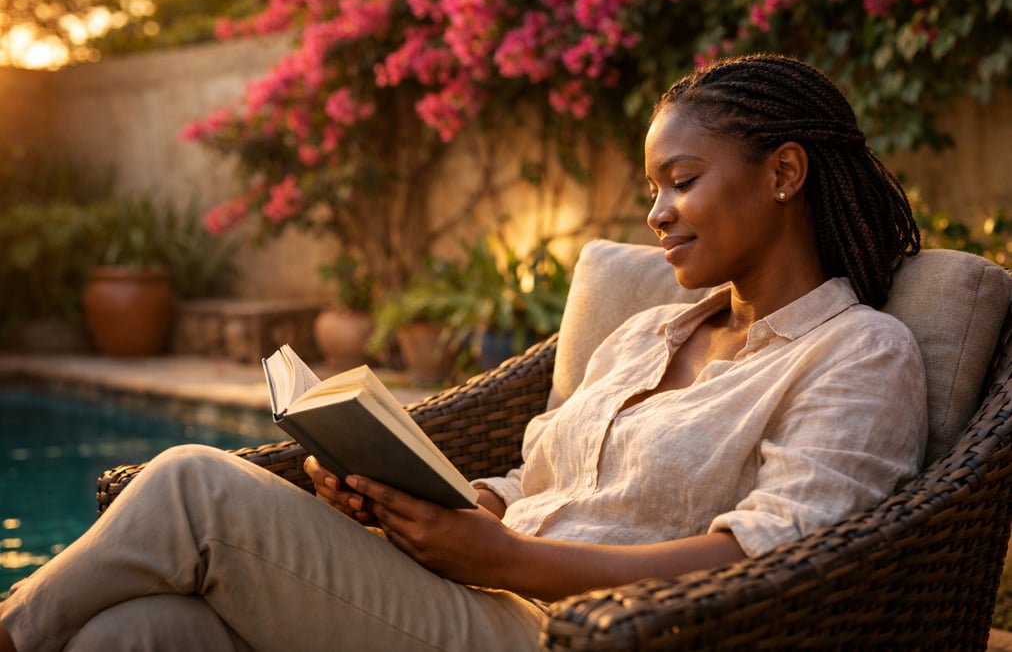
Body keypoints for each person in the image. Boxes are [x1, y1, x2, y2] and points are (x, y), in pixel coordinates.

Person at [0, 53, 927, 651]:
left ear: (784, 172)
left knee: (192, 484)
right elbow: (541, 480)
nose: (655, 216)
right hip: (476, 587)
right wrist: (430, 500)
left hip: (569, 633)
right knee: (135, 634)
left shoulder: (857, 354)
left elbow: (774, 557)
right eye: (652, 186)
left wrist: (502, 559)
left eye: (680, 182)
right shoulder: (649, 333)